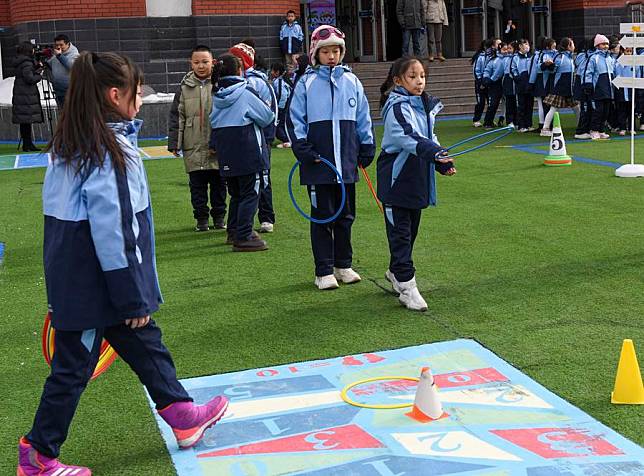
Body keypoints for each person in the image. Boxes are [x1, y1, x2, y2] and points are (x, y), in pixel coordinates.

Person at [17, 51, 229, 476]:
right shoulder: (110, 150)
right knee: (74, 368)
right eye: (136, 90)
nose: (140, 97)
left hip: (81, 278)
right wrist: (131, 295)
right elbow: (116, 230)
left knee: (145, 342)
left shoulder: (72, 140)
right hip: (98, 282)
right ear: (116, 95)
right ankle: (38, 454)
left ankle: (181, 413)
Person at [287, 25, 375, 290]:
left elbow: (363, 116)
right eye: (326, 51)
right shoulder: (306, 83)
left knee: (346, 216)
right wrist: (302, 149)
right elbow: (295, 119)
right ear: (316, 53)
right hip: (318, 163)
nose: (332, 56)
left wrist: (367, 145)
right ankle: (323, 270)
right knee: (323, 216)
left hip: (346, 162)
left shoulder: (352, 81)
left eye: (336, 50)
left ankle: (343, 265)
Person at [377, 56, 455, 311]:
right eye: (412, 76)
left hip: (417, 177)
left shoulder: (425, 104)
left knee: (410, 232)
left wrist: (441, 160)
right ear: (398, 80)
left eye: (422, 75)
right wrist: (435, 153)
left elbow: (429, 136)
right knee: (400, 234)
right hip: (396, 179)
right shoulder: (396, 106)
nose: (419, 81)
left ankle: (395, 271)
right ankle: (407, 286)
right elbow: (407, 137)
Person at [209, 53, 275, 252]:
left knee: (236, 193)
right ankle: (244, 235)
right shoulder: (246, 92)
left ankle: (234, 231)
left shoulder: (215, 94)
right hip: (248, 149)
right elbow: (266, 116)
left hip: (227, 151)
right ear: (239, 71)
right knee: (250, 192)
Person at [168, 45, 227, 231]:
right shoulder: (184, 87)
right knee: (197, 187)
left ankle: (219, 217)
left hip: (216, 145)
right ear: (190, 64)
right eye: (197, 62)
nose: (201, 66)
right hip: (192, 145)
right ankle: (201, 219)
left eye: (205, 62)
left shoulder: (220, 85)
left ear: (213, 63)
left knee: (219, 185)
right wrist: (175, 144)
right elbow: (177, 116)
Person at [231, 42, 278, 234]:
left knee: (263, 178)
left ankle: (266, 216)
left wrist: (267, 137)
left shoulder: (258, 82)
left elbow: (269, 110)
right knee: (244, 182)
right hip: (240, 140)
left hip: (259, 138)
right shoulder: (232, 80)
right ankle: (243, 221)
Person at [541, 38, 579, 137]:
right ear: (568, 46)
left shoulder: (571, 57)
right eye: (572, 44)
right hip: (560, 87)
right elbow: (552, 70)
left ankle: (581, 128)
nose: (574, 46)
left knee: (576, 107)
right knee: (554, 108)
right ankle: (545, 129)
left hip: (569, 88)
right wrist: (548, 64)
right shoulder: (560, 57)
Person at [12, 41, 44, 152]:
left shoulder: (20, 62)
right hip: (26, 94)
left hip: (21, 93)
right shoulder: (26, 62)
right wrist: (39, 74)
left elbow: (26, 74)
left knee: (24, 121)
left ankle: (27, 144)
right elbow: (29, 78)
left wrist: (35, 68)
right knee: (26, 121)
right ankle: (27, 145)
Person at [584, 34, 615, 140]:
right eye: (603, 44)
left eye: (607, 44)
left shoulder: (609, 58)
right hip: (597, 89)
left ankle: (601, 130)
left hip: (608, 89)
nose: (606, 46)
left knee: (606, 111)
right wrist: (588, 84)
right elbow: (588, 72)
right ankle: (594, 130)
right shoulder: (594, 58)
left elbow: (613, 73)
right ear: (597, 45)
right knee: (598, 111)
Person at [46, 34, 79, 106]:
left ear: (68, 44)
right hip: (58, 91)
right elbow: (49, 65)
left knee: (70, 113)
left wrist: (60, 56)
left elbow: (72, 66)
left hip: (70, 91)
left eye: (61, 45)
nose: (58, 47)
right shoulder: (56, 55)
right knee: (62, 114)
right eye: (57, 45)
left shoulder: (74, 54)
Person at [574, 37, 595, 139]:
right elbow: (584, 72)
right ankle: (581, 131)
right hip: (583, 85)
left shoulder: (581, 56)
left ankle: (586, 128)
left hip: (582, 84)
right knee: (585, 108)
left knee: (588, 108)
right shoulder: (586, 56)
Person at [512, 38, 535, 132]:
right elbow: (513, 70)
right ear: (520, 46)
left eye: (528, 44)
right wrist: (518, 78)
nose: (527, 46)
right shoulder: (516, 57)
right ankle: (521, 125)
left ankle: (529, 124)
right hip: (521, 84)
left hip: (530, 83)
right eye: (525, 44)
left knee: (530, 105)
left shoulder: (531, 56)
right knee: (521, 105)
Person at [614, 47, 638, 136]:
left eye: (630, 51)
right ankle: (622, 127)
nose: (628, 53)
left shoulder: (635, 62)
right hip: (622, 89)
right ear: (622, 51)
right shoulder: (618, 62)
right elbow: (617, 73)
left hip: (631, 88)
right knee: (622, 110)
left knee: (631, 110)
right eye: (627, 51)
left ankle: (632, 128)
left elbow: (637, 73)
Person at [482, 42, 505, 128]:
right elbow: (493, 72)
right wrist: (487, 79)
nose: (506, 51)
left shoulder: (508, 58)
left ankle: (502, 119)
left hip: (505, 82)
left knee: (506, 103)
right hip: (496, 83)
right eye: (504, 49)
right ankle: (488, 121)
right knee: (493, 103)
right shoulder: (495, 59)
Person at [270, 61, 292, 148]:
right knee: (282, 125)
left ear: (277, 72)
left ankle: (287, 141)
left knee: (278, 126)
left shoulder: (279, 81)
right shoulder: (284, 80)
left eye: (272, 70)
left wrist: (278, 108)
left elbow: (282, 95)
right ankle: (288, 139)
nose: (271, 73)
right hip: (286, 106)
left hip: (283, 107)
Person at [472, 39, 492, 127]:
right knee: (481, 102)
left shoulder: (491, 57)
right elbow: (476, 71)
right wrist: (480, 83)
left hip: (488, 82)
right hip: (480, 83)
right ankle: (476, 119)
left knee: (490, 102)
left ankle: (488, 119)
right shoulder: (480, 57)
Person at [502, 41, 518, 128]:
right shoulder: (506, 58)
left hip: (515, 80)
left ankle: (516, 121)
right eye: (507, 48)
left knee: (516, 102)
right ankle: (510, 121)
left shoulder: (516, 57)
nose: (508, 50)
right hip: (508, 79)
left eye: (510, 48)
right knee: (509, 101)